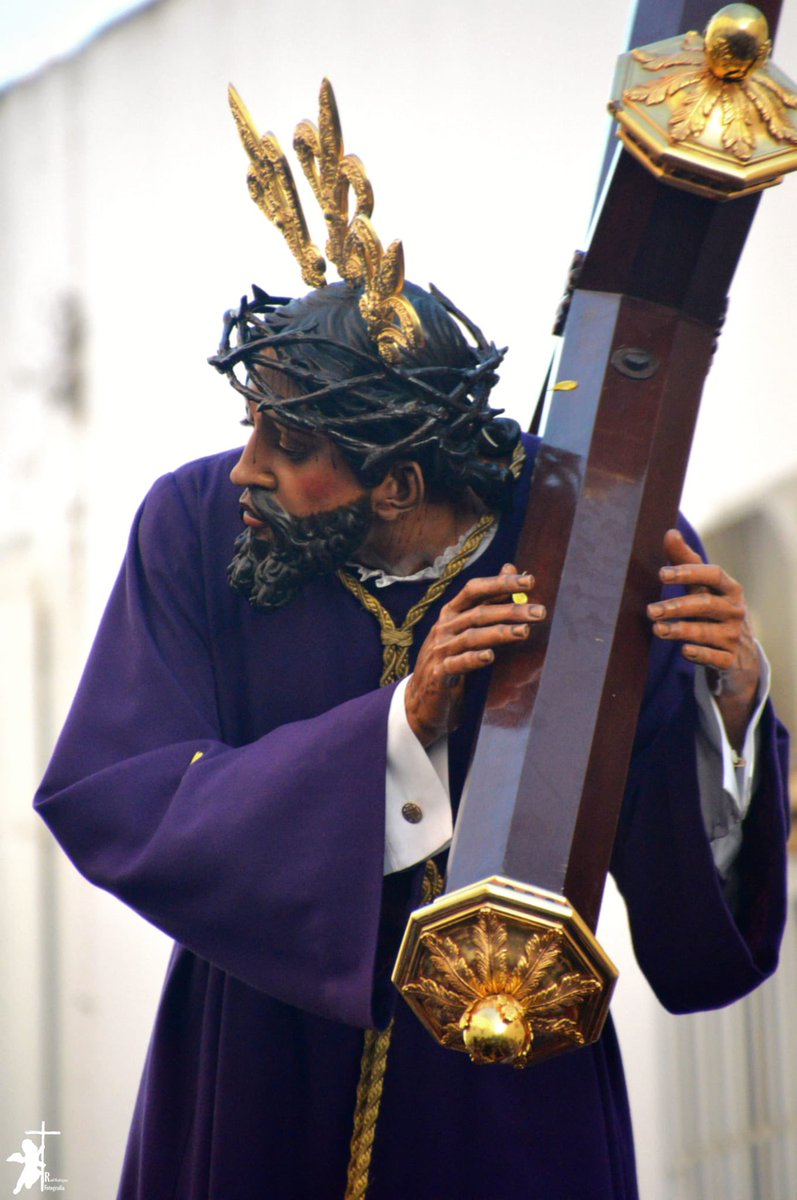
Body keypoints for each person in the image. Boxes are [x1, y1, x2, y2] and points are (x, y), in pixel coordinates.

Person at [34, 82, 789, 1200]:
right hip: (252, 1072)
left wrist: (731, 712)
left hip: (510, 1087)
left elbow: (691, 937)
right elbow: (114, 792)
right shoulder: (194, 528)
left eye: (284, 442)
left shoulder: (595, 536)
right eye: (251, 425)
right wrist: (398, 724)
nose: (245, 465)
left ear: (393, 483)